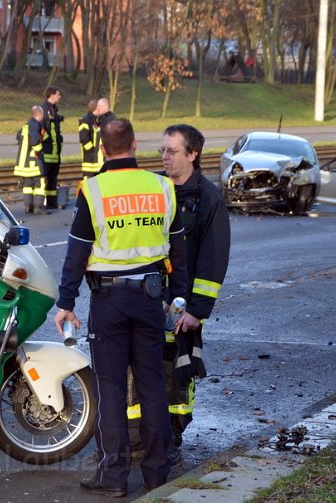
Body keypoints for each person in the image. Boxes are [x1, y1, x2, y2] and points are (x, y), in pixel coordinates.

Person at [53, 118, 188, 497]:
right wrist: (178, 299)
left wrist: (66, 302)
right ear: (134, 144)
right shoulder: (161, 186)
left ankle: (113, 477)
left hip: (109, 302)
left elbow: (76, 251)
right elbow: (178, 249)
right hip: (151, 299)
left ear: (102, 147)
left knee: (110, 388)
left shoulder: (93, 189)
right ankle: (156, 475)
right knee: (152, 386)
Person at [128, 124, 230, 464]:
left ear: (192, 154)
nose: (164, 157)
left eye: (171, 151)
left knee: (175, 374)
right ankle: (135, 440)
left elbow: (213, 260)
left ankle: (171, 437)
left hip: (181, 306)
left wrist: (196, 311)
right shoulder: (155, 190)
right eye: (162, 150)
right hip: (145, 299)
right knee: (137, 370)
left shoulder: (208, 199)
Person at [14, 106, 51, 214]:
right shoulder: (35, 125)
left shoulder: (25, 126)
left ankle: (28, 206)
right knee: (40, 184)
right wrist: (40, 151)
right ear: (39, 114)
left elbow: (18, 138)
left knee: (27, 185)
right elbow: (35, 141)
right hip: (34, 162)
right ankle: (38, 207)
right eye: (43, 115)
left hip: (23, 163)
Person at [39, 87, 64, 209]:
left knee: (53, 178)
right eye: (58, 94)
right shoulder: (44, 109)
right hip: (47, 151)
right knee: (46, 178)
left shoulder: (54, 110)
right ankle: (42, 203)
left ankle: (52, 202)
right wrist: (48, 140)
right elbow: (41, 129)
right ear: (52, 95)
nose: (60, 97)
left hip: (55, 152)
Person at [78, 99, 101, 178]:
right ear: (97, 108)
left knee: (97, 188)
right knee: (90, 187)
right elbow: (84, 139)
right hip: (89, 162)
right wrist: (92, 152)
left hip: (96, 163)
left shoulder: (95, 120)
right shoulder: (85, 120)